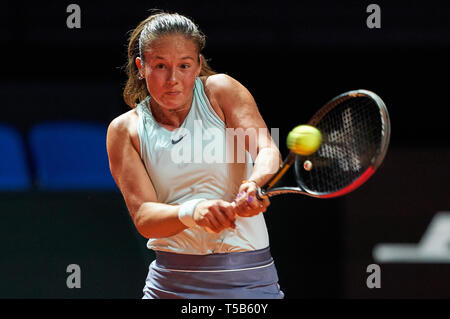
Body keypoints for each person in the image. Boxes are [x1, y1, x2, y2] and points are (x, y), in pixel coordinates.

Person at [106, 10, 284, 299]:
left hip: (248, 283)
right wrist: (194, 212)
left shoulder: (221, 91)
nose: (173, 79)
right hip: (169, 285)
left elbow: (266, 149)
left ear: (198, 65)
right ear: (141, 66)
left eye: (184, 65)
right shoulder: (125, 129)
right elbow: (144, 216)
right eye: (160, 66)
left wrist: (255, 183)